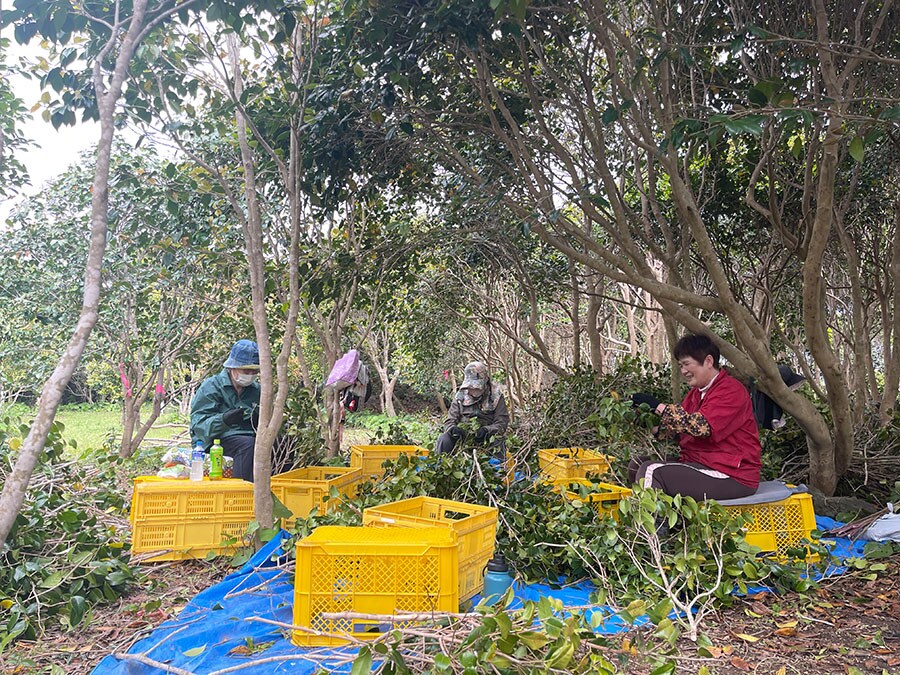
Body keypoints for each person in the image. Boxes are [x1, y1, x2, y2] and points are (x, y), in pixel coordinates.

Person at [628, 334, 761, 501]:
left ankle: (650, 526)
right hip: (701, 464)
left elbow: (701, 427)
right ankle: (674, 523)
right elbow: (681, 432)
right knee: (637, 465)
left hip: (732, 474)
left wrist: (659, 407)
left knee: (651, 471)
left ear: (708, 361)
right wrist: (649, 422)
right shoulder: (695, 395)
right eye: (680, 365)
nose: (683, 371)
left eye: (686, 364)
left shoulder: (730, 390)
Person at [190, 339, 263, 482]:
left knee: (281, 443)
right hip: (215, 441)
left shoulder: (257, 390)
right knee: (247, 445)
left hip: (249, 436)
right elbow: (198, 426)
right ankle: (241, 493)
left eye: (254, 371)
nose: (250, 374)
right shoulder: (211, 387)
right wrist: (224, 420)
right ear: (232, 367)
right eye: (245, 370)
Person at [435, 361, 510, 456]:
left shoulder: (496, 395)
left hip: (487, 437)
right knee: (444, 439)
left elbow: (502, 422)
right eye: (470, 387)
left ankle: (496, 469)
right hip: (464, 437)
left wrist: (487, 430)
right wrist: (453, 429)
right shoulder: (460, 396)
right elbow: (450, 420)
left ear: (485, 383)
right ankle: (441, 466)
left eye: (476, 388)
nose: (473, 390)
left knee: (498, 441)